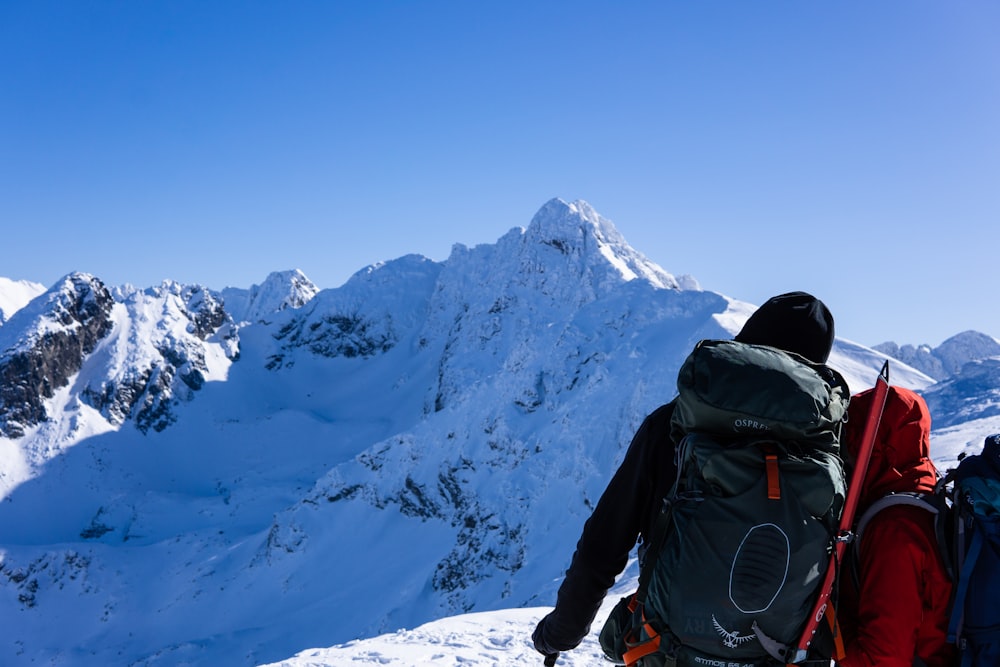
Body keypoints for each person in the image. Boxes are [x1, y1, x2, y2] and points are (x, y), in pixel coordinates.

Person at [531, 291, 839, 662]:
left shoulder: (672, 426)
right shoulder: (830, 448)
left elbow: (604, 545)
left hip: (664, 651)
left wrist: (561, 634)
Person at [836, 386, 956, 667]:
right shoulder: (927, 496)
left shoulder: (896, 528)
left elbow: (882, 659)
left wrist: (823, 631)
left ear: (871, 444)